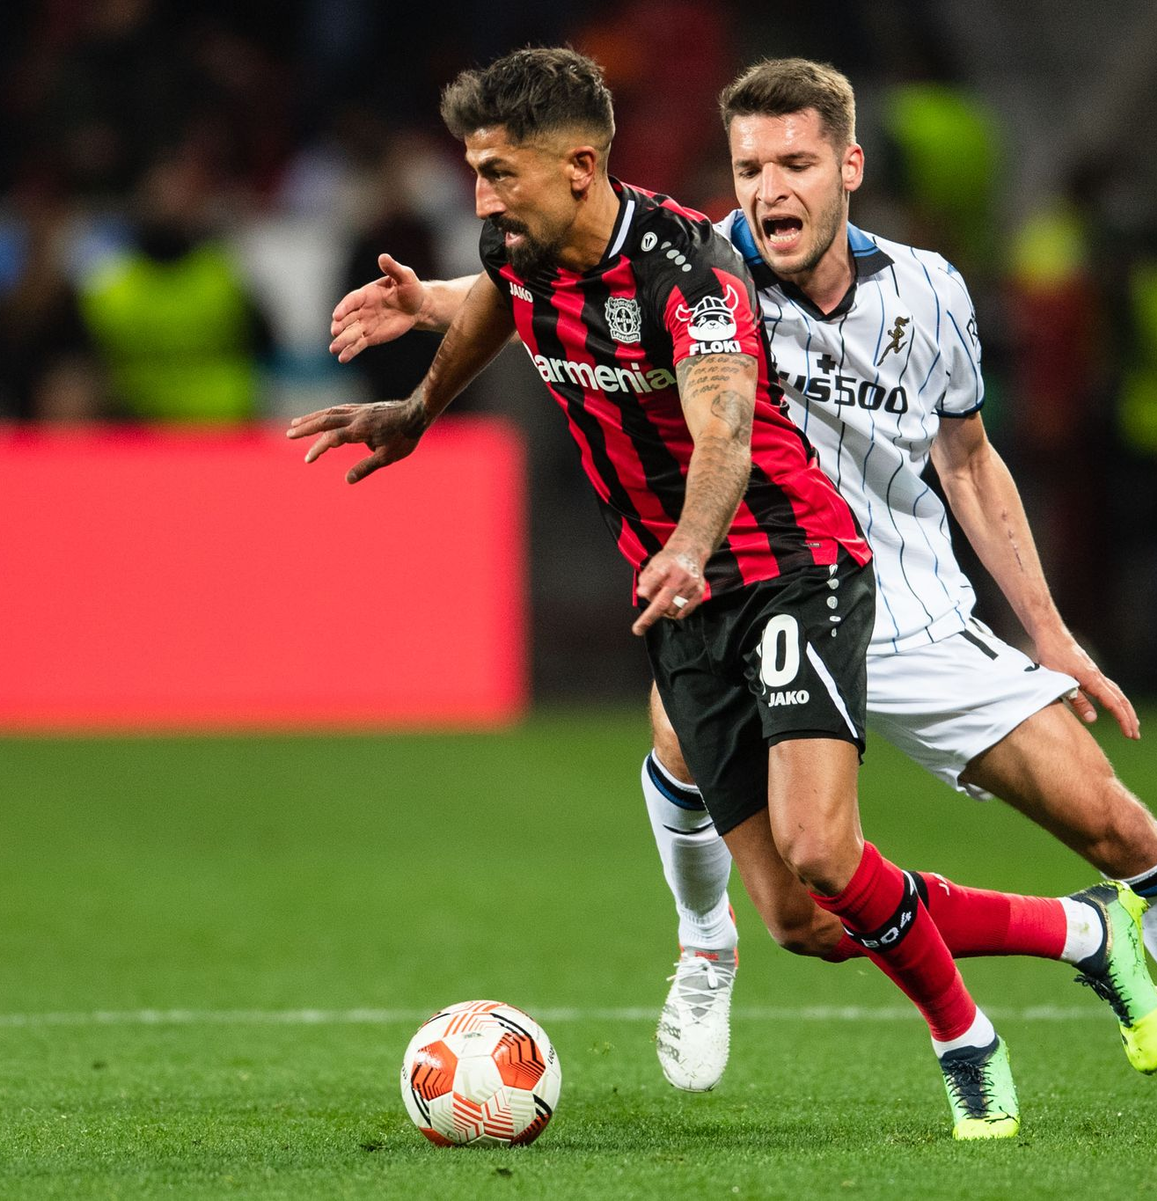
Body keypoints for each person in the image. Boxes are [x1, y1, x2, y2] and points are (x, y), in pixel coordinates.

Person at [292, 49, 1150, 1141]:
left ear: (850, 167)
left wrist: (1051, 636)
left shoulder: (784, 277)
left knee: (1088, 833)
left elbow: (796, 433)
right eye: (750, 164)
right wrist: (419, 389)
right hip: (706, 589)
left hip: (833, 576)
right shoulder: (609, 248)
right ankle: (761, 941)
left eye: (794, 162)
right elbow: (528, 289)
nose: (766, 189)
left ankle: (985, 1011)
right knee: (793, 902)